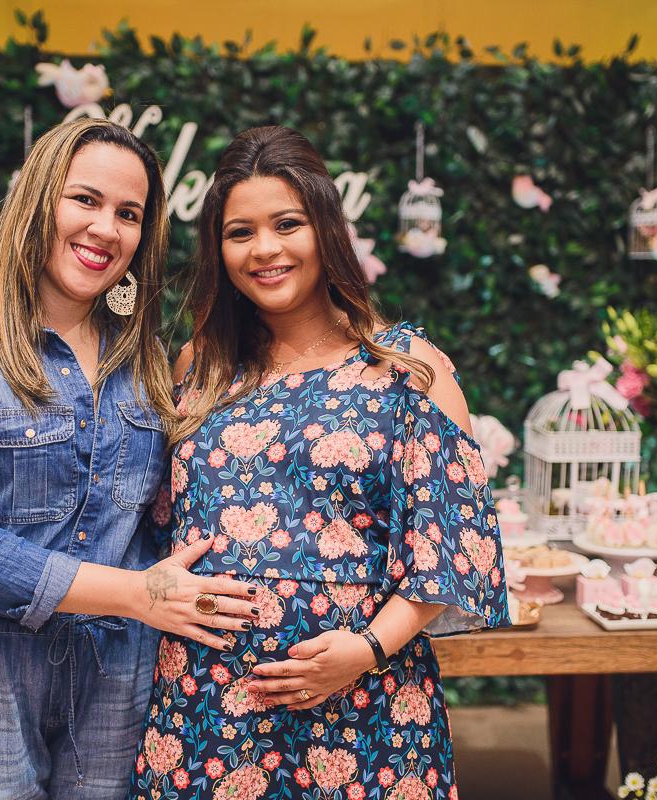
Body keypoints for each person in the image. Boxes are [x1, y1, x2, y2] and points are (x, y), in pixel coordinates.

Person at [127, 125, 511, 800]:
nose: (265, 249)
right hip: (205, 705)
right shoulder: (200, 367)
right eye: (239, 231)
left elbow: (454, 542)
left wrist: (364, 650)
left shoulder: (404, 366)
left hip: (365, 706)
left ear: (326, 228)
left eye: (287, 223)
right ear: (218, 249)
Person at [0, 117, 257, 800]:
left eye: (129, 214)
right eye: (84, 200)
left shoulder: (143, 356)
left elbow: (156, 514)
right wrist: (140, 594)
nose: (106, 230)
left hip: (115, 677)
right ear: (37, 201)